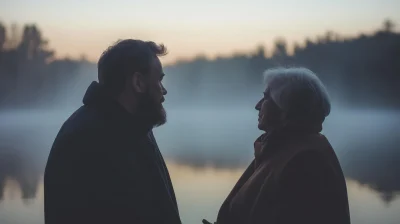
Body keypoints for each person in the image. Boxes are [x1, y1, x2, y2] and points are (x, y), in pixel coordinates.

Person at [44, 39, 182, 224]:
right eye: (159, 79)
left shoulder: (134, 128)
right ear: (138, 82)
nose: (163, 91)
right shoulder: (87, 140)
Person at [205, 67, 351, 224]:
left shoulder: (306, 160)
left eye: (266, 98)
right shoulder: (277, 148)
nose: (257, 105)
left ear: (288, 109)